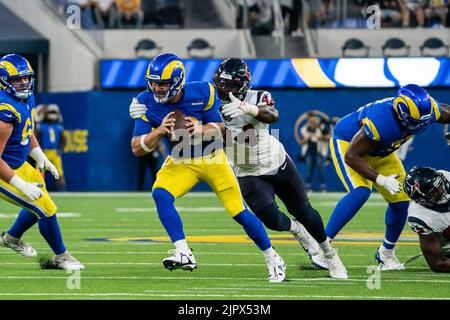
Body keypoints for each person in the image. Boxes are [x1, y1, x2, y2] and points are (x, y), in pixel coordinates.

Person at [128, 53, 286, 282]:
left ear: (177, 81)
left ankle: (273, 258)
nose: (157, 88)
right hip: (181, 160)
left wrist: (201, 129)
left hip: (212, 157)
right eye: (153, 83)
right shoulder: (144, 101)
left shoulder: (202, 92)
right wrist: (159, 130)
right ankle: (183, 252)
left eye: (162, 84)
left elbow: (221, 128)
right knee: (160, 194)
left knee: (238, 212)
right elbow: (136, 148)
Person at [211, 58, 347, 279]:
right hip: (247, 170)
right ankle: (297, 231)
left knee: (304, 211)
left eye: (231, 85)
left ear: (244, 84)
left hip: (275, 163)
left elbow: (273, 115)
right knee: (271, 219)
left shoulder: (257, 96)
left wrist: (249, 108)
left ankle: (330, 254)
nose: (225, 89)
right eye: (221, 84)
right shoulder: (210, 103)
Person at [326, 84, 450, 270]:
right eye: (415, 122)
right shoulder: (382, 120)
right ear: (401, 113)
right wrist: (380, 180)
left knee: (400, 201)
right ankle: (322, 245)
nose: (420, 126)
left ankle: (386, 253)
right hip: (349, 146)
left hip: (381, 151)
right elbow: (351, 156)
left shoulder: (428, 110)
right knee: (361, 191)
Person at [0, 54, 83, 270]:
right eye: (18, 79)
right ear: (3, 80)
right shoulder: (4, 110)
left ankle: (12, 238)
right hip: (4, 169)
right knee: (45, 208)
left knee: (41, 197)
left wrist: (41, 157)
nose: (24, 83)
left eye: (27, 78)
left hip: (18, 164)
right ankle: (61, 256)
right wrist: (21, 185)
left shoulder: (25, 98)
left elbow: (26, 132)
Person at [404, 166, 450, 272]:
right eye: (436, 192)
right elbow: (439, 264)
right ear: (422, 199)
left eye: (440, 184)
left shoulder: (446, 177)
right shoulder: (421, 217)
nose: (442, 189)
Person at [35, 104, 67, 191]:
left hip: (54, 152)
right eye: (50, 112)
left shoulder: (59, 127)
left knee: (59, 172)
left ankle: (62, 190)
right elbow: (35, 138)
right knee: (39, 172)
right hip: (44, 152)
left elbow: (64, 140)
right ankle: (40, 190)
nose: (52, 115)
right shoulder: (41, 126)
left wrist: (60, 150)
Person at [299, 113, 329, 192]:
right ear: (308, 120)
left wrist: (321, 137)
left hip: (319, 151)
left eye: (314, 120)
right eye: (310, 120)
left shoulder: (322, 127)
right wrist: (305, 139)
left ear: (316, 120)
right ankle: (307, 187)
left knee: (321, 170)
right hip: (309, 152)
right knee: (308, 170)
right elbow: (301, 141)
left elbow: (329, 137)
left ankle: (323, 187)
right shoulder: (304, 129)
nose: (312, 122)